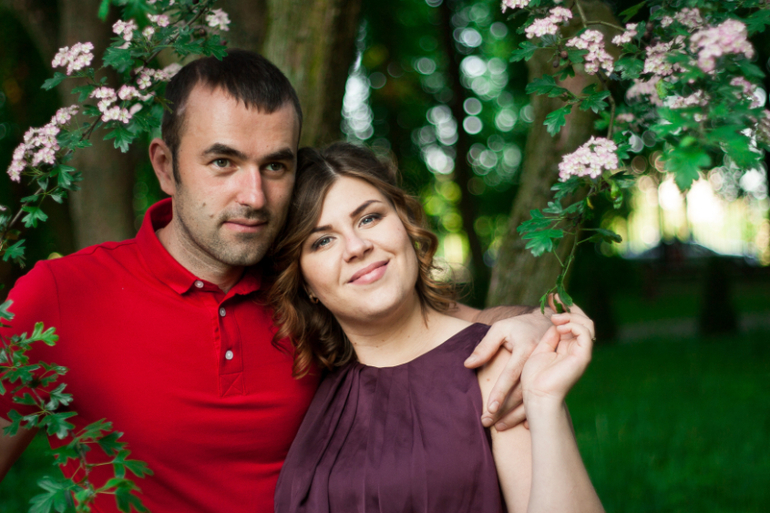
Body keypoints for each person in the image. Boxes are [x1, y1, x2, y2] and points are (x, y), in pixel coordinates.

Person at [0, 50, 556, 512]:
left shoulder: (308, 281)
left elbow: (447, 329)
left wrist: (531, 327)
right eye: (223, 163)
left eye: (275, 166)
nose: (254, 196)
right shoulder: (61, 296)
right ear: (166, 166)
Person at [270, 142, 604, 512]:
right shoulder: (310, 388)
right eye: (323, 241)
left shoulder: (497, 363)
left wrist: (544, 403)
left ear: (405, 224)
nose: (356, 246)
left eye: (369, 218)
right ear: (305, 283)